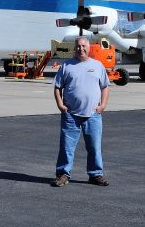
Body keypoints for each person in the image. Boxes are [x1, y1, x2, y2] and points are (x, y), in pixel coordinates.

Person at [52, 36, 110, 187]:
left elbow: (105, 86)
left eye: (84, 46)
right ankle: (63, 174)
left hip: (93, 115)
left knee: (94, 147)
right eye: (78, 46)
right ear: (74, 48)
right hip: (71, 115)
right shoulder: (66, 66)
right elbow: (58, 87)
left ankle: (95, 174)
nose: (81, 48)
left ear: (89, 47)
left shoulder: (98, 66)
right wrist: (60, 104)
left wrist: (103, 105)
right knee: (66, 147)